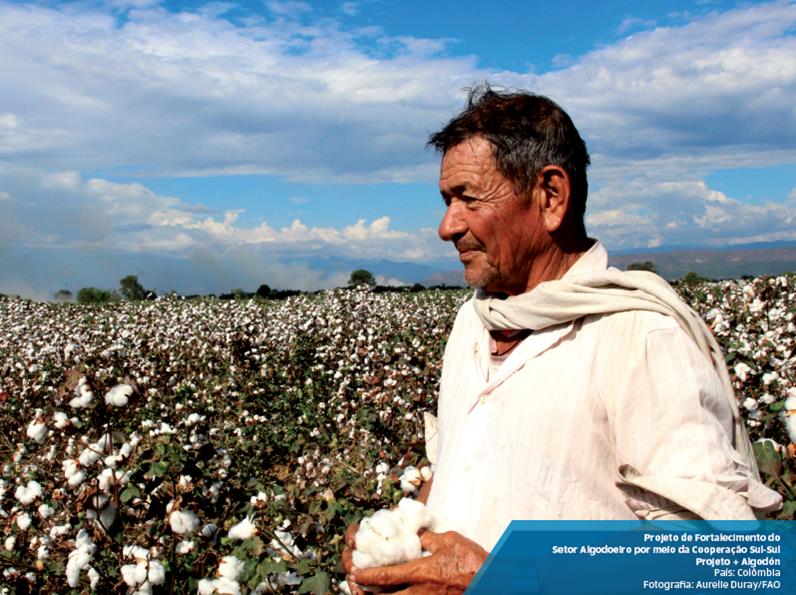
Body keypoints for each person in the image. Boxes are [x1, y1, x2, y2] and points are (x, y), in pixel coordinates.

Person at [342, 85, 781, 594]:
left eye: (468, 198)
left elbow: (723, 568)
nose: (446, 227)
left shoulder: (640, 338)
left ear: (551, 196)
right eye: (446, 201)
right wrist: (394, 541)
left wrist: (502, 579)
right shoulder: (474, 322)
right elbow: (463, 469)